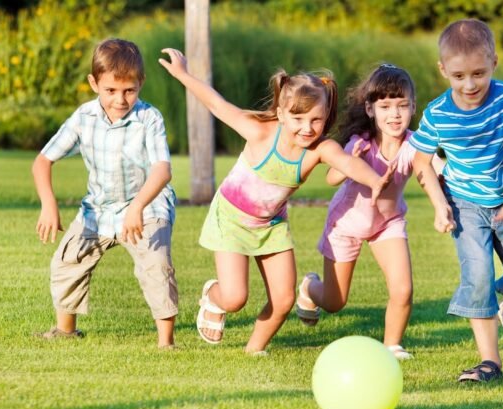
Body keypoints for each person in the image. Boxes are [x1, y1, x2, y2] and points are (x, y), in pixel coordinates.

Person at [158, 48, 393, 355]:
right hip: (230, 220)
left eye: (316, 120)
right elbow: (217, 104)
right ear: (282, 114)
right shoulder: (259, 132)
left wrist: (375, 180)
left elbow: (347, 163)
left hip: (271, 226)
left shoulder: (319, 149)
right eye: (297, 118)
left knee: (283, 300)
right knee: (235, 297)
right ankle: (215, 298)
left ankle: (253, 351)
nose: (307, 128)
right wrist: (183, 75)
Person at [410, 18, 503, 382]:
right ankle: (490, 361)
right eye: (459, 76)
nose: (470, 84)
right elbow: (420, 161)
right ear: (443, 70)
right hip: (465, 206)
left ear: (493, 64)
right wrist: (440, 205)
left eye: (479, 73)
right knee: (477, 277)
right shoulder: (437, 113)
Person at [32, 39, 179, 349]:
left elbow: (162, 170)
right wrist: (48, 203)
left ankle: (166, 343)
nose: (120, 99)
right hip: (98, 210)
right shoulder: (83, 118)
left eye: (129, 90)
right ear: (94, 83)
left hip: (147, 206)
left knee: (156, 265)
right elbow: (43, 161)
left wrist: (138, 205)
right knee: (68, 260)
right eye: (111, 90)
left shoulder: (149, 119)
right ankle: (65, 331)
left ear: (141, 83)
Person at [295, 64, 444, 360]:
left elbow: (435, 170)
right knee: (335, 302)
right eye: (385, 106)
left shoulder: (415, 144)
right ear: (370, 108)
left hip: (387, 224)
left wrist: (450, 191)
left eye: (402, 105)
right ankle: (309, 287)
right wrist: (350, 160)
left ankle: (392, 346)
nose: (395, 114)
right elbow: (332, 178)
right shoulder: (360, 142)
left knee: (403, 290)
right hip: (346, 224)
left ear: (413, 107)